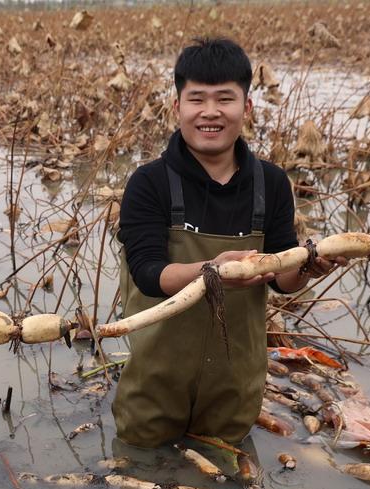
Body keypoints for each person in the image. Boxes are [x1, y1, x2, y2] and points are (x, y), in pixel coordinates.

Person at [114, 39, 346, 448]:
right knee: (142, 472)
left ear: (247, 107)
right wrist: (213, 274)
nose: (210, 112)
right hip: (155, 380)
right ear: (177, 107)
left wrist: (307, 267)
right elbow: (148, 273)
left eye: (225, 99)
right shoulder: (149, 183)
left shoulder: (271, 183)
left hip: (234, 385)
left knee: (226, 472)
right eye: (197, 99)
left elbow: (282, 280)